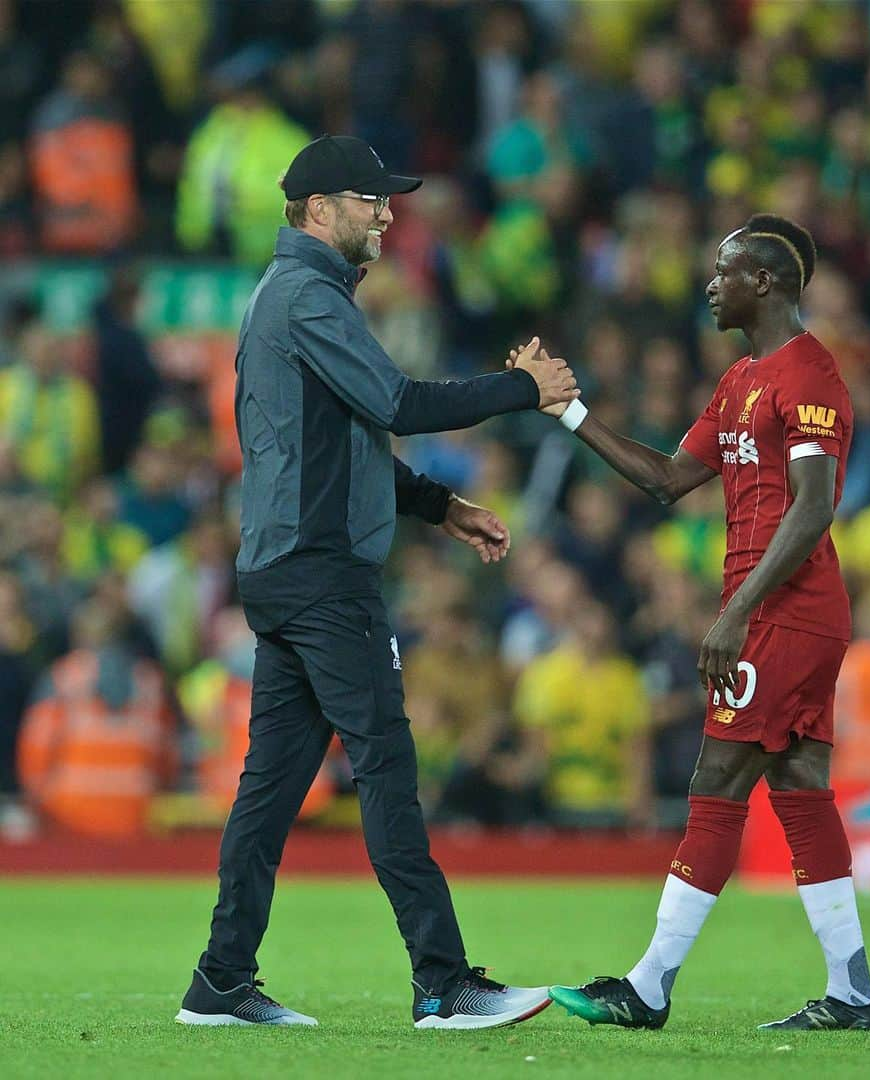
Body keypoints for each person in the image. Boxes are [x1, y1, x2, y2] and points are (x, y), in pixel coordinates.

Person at [176, 135, 578, 1030]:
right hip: (323, 576)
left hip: (285, 569)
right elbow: (397, 405)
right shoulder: (308, 299)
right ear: (319, 210)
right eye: (370, 199)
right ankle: (442, 982)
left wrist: (440, 506)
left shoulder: (287, 301)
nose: (387, 213)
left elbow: (343, 442)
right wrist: (521, 388)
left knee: (272, 789)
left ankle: (219, 980)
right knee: (387, 765)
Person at [525, 215, 870, 1031]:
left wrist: (738, 610)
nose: (710, 282)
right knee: (797, 787)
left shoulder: (812, 374)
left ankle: (648, 987)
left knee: (717, 781)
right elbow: (665, 478)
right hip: (777, 611)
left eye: (725, 270)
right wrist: (571, 413)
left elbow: (814, 507)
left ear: (766, 282)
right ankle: (854, 991)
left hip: (786, 611)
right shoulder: (739, 382)